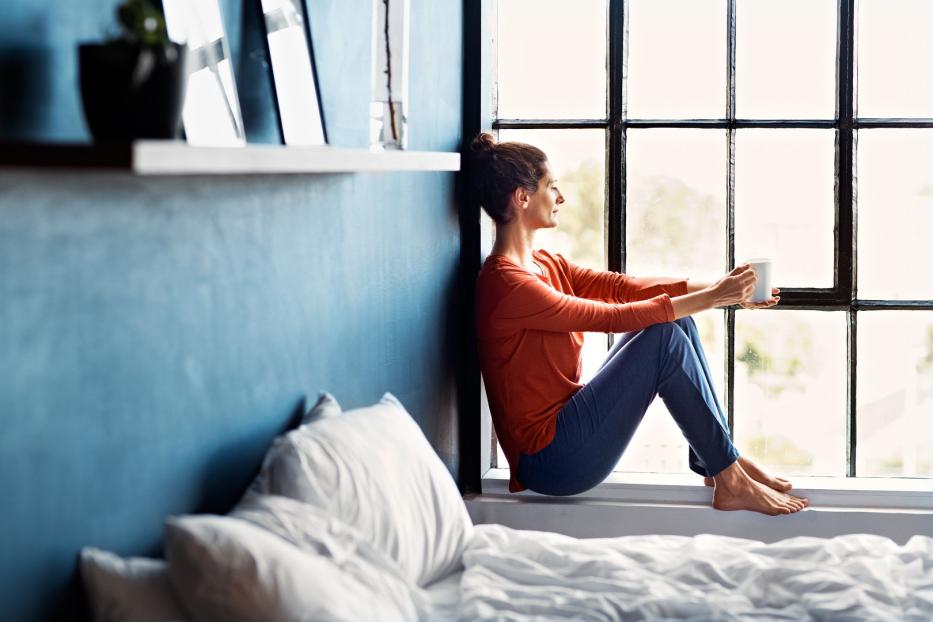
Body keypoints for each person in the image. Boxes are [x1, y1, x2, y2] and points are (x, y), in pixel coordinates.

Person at [471, 132, 808, 515]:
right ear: (522, 197)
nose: (561, 197)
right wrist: (716, 297)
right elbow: (612, 317)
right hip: (552, 461)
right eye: (552, 186)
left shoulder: (545, 263)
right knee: (664, 335)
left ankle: (719, 464)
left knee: (678, 326)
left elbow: (622, 288)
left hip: (567, 431)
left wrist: (724, 288)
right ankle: (728, 475)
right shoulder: (507, 284)